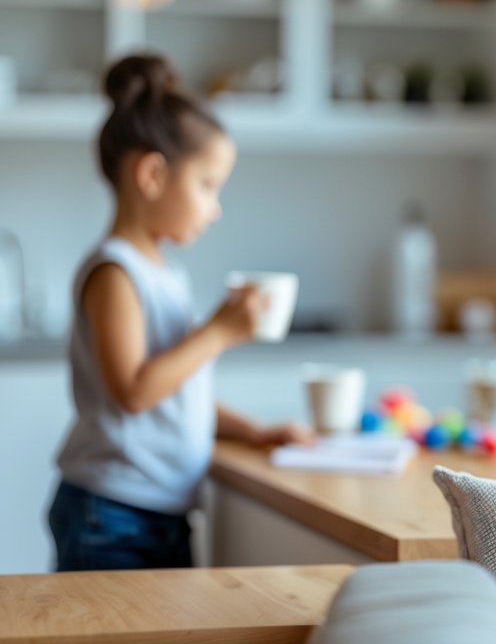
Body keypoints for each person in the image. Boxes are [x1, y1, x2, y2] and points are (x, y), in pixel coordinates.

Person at [47, 53, 312, 571]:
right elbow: (134, 391)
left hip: (157, 512)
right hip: (112, 515)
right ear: (152, 175)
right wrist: (218, 333)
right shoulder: (115, 273)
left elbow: (174, 393)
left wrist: (251, 430)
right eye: (207, 185)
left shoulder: (163, 273)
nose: (215, 207)